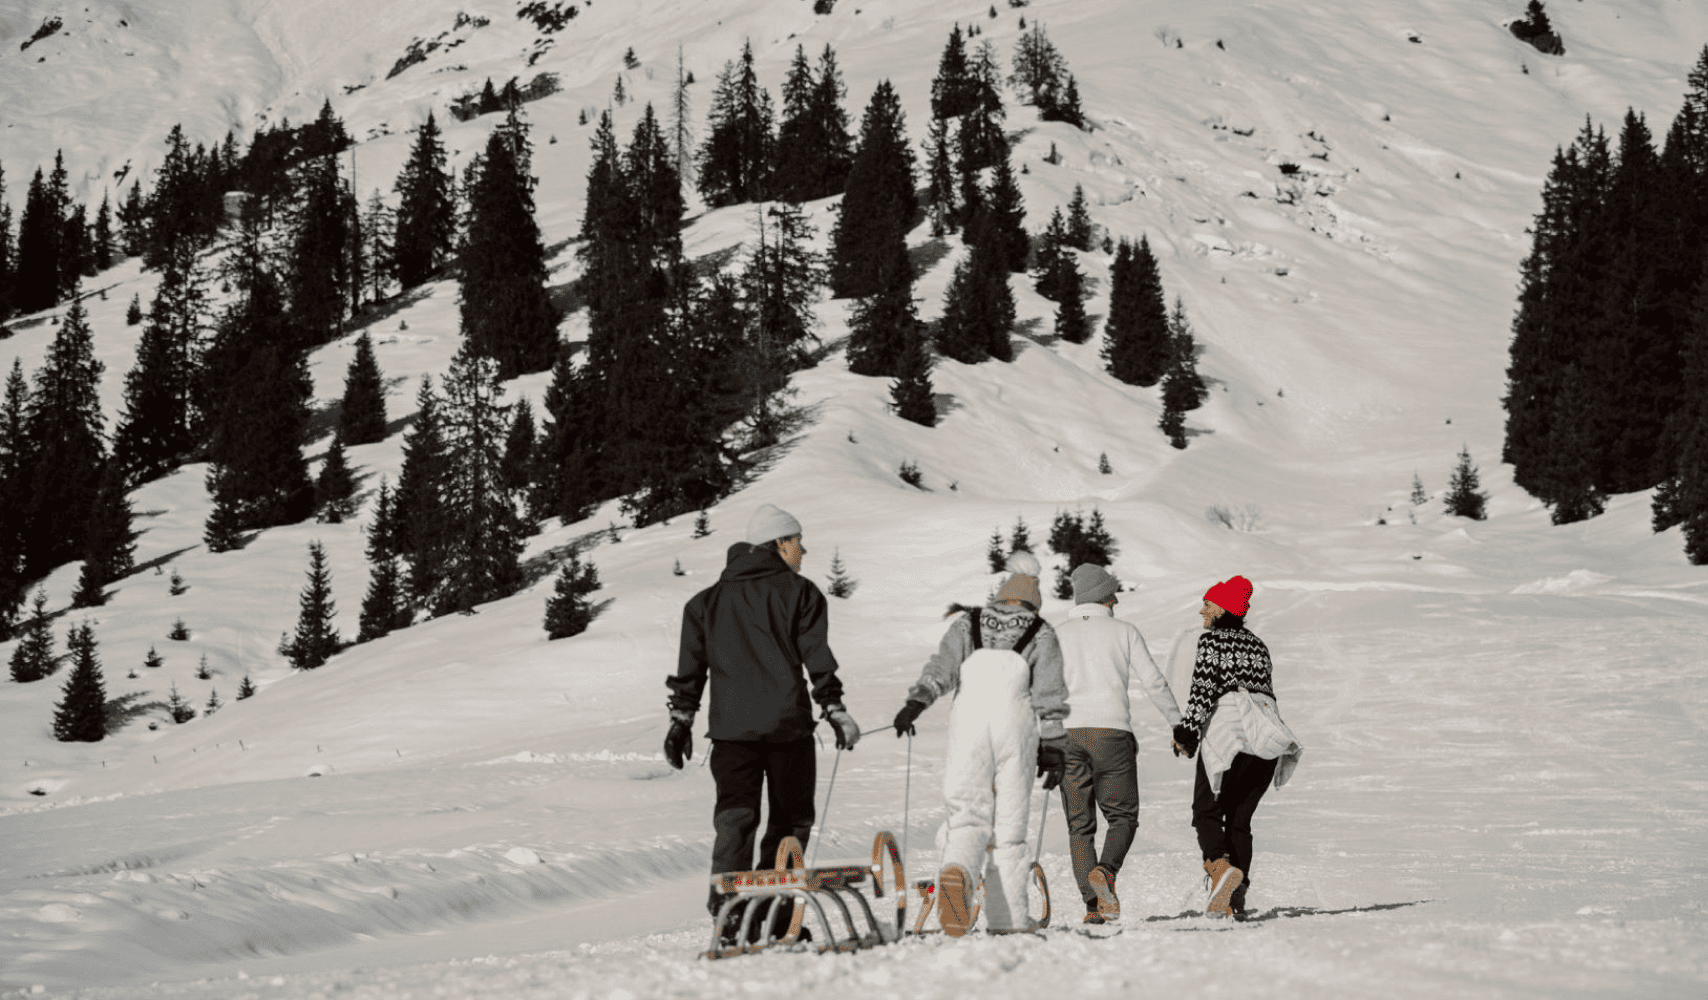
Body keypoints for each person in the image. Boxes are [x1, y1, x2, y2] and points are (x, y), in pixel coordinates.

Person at [664, 503, 861, 940]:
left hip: (731, 734)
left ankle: (730, 915)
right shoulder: (800, 593)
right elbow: (817, 658)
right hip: (788, 729)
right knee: (789, 823)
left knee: (735, 819)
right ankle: (772, 917)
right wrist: (834, 709)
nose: (803, 550)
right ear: (779, 543)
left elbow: (690, 668)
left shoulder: (705, 602)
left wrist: (681, 720)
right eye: (797, 541)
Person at [891, 551, 1070, 936]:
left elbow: (941, 670)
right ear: (1033, 601)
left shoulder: (967, 624)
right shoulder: (1040, 632)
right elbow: (1049, 694)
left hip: (969, 721)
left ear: (1001, 595)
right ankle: (1008, 920)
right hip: (1015, 725)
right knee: (1009, 827)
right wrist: (1053, 746)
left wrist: (915, 702)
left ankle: (957, 872)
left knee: (967, 816)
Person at [1052, 562, 1184, 925]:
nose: (1116, 602)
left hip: (1066, 736)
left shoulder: (1057, 634)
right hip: (1111, 734)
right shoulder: (1124, 632)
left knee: (1079, 826)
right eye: (1113, 595)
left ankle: (1093, 907)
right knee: (1122, 816)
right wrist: (1178, 724)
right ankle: (1106, 872)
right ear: (1103, 597)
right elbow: (1154, 682)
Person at [1170, 575, 1302, 919]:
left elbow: (1202, 689)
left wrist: (1187, 732)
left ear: (1223, 608)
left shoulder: (1212, 641)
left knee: (1206, 811)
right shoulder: (1259, 645)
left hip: (1229, 734)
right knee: (1240, 821)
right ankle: (1234, 899)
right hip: (1265, 739)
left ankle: (1218, 870)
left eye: (1208, 604)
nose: (1202, 611)